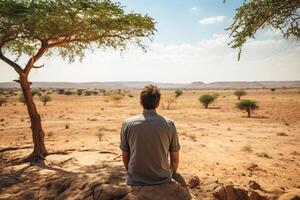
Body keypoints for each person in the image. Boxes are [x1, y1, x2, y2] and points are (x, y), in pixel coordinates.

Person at [119, 84, 180, 186]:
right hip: (163, 179)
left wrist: (132, 174)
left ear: (141, 102)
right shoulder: (169, 124)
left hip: (134, 180)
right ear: (158, 103)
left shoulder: (128, 124)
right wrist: (171, 174)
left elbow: (125, 156)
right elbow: (175, 159)